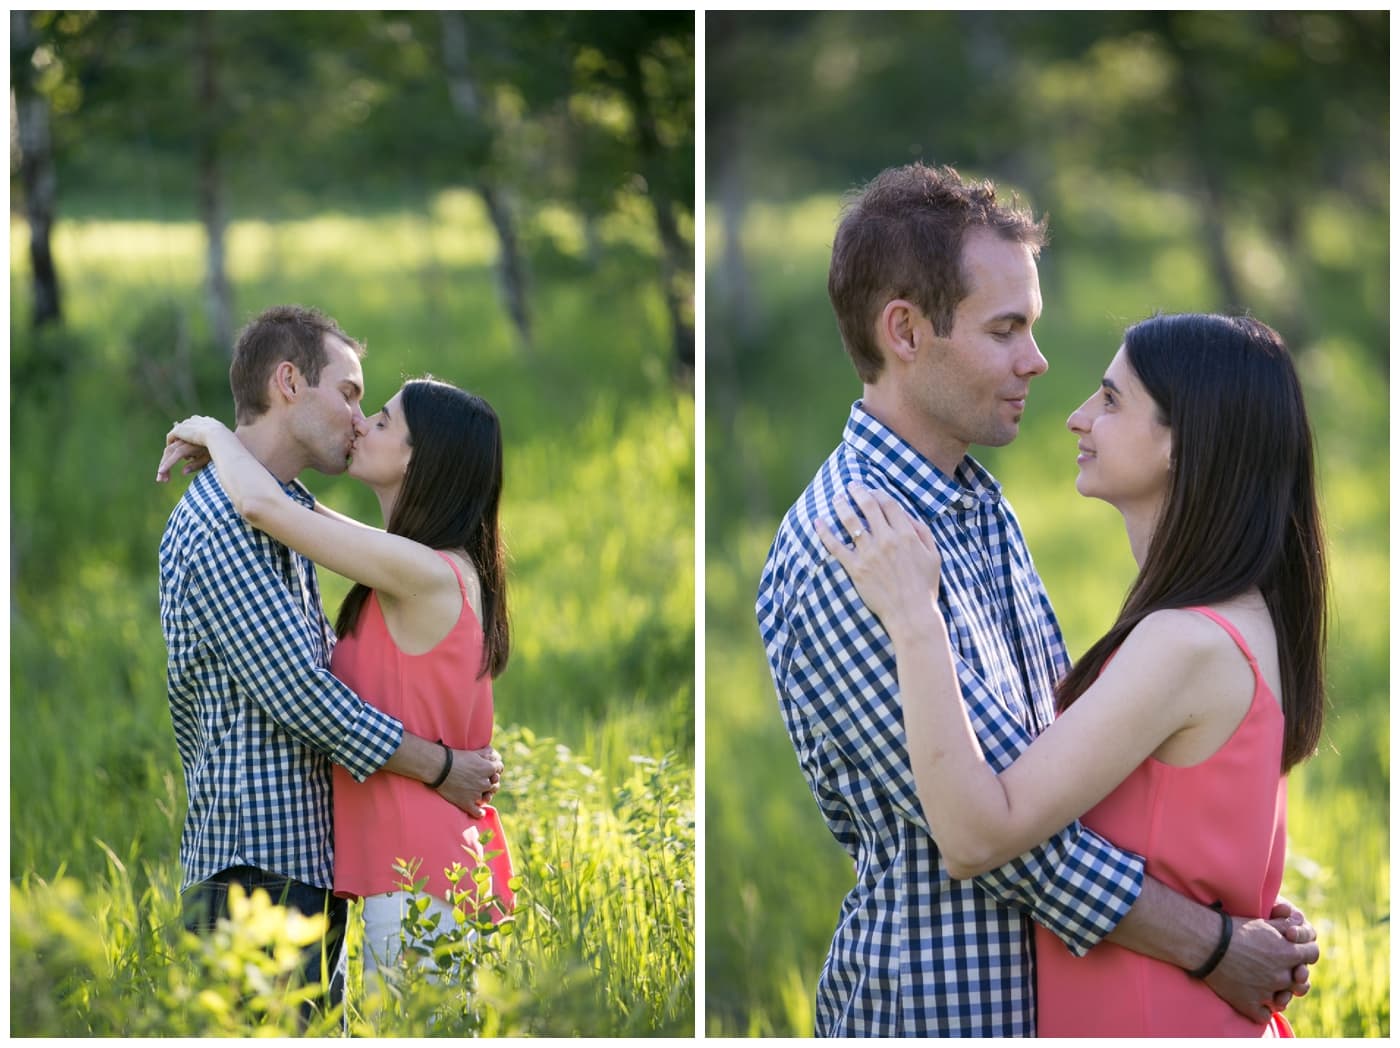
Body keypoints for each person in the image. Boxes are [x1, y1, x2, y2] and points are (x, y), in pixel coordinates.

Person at [754, 164, 1318, 1037]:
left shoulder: (979, 505)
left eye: (1034, 326)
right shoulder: (854, 545)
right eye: (1006, 328)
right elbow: (1004, 845)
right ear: (905, 331)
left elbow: (1066, 769)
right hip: (946, 1008)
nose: (1038, 363)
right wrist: (1213, 940)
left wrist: (1230, 896)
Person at [156, 305, 505, 1011]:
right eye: (354, 398)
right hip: (261, 872)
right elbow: (301, 695)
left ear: (420, 459)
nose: (358, 421)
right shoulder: (248, 516)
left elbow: (272, 510)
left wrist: (215, 435)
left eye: (378, 418)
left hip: (390, 874)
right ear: (289, 382)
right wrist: (440, 764)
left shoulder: (411, 563)